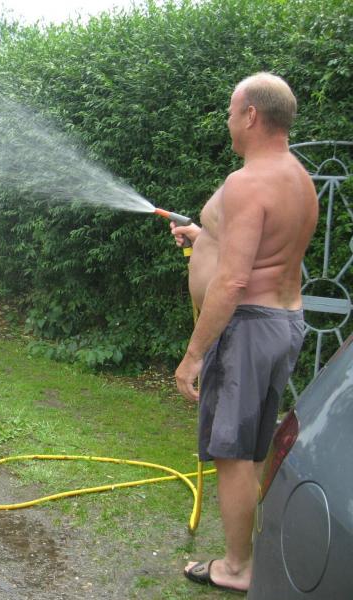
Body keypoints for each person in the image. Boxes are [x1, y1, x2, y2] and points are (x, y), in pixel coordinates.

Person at [170, 72, 318, 593]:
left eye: (232, 112)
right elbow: (261, 249)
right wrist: (204, 233)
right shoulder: (296, 177)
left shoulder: (247, 181)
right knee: (253, 448)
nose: (229, 121)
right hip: (282, 322)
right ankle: (252, 552)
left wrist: (193, 355)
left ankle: (237, 567)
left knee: (232, 454)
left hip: (248, 330)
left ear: (252, 115)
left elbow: (234, 281)